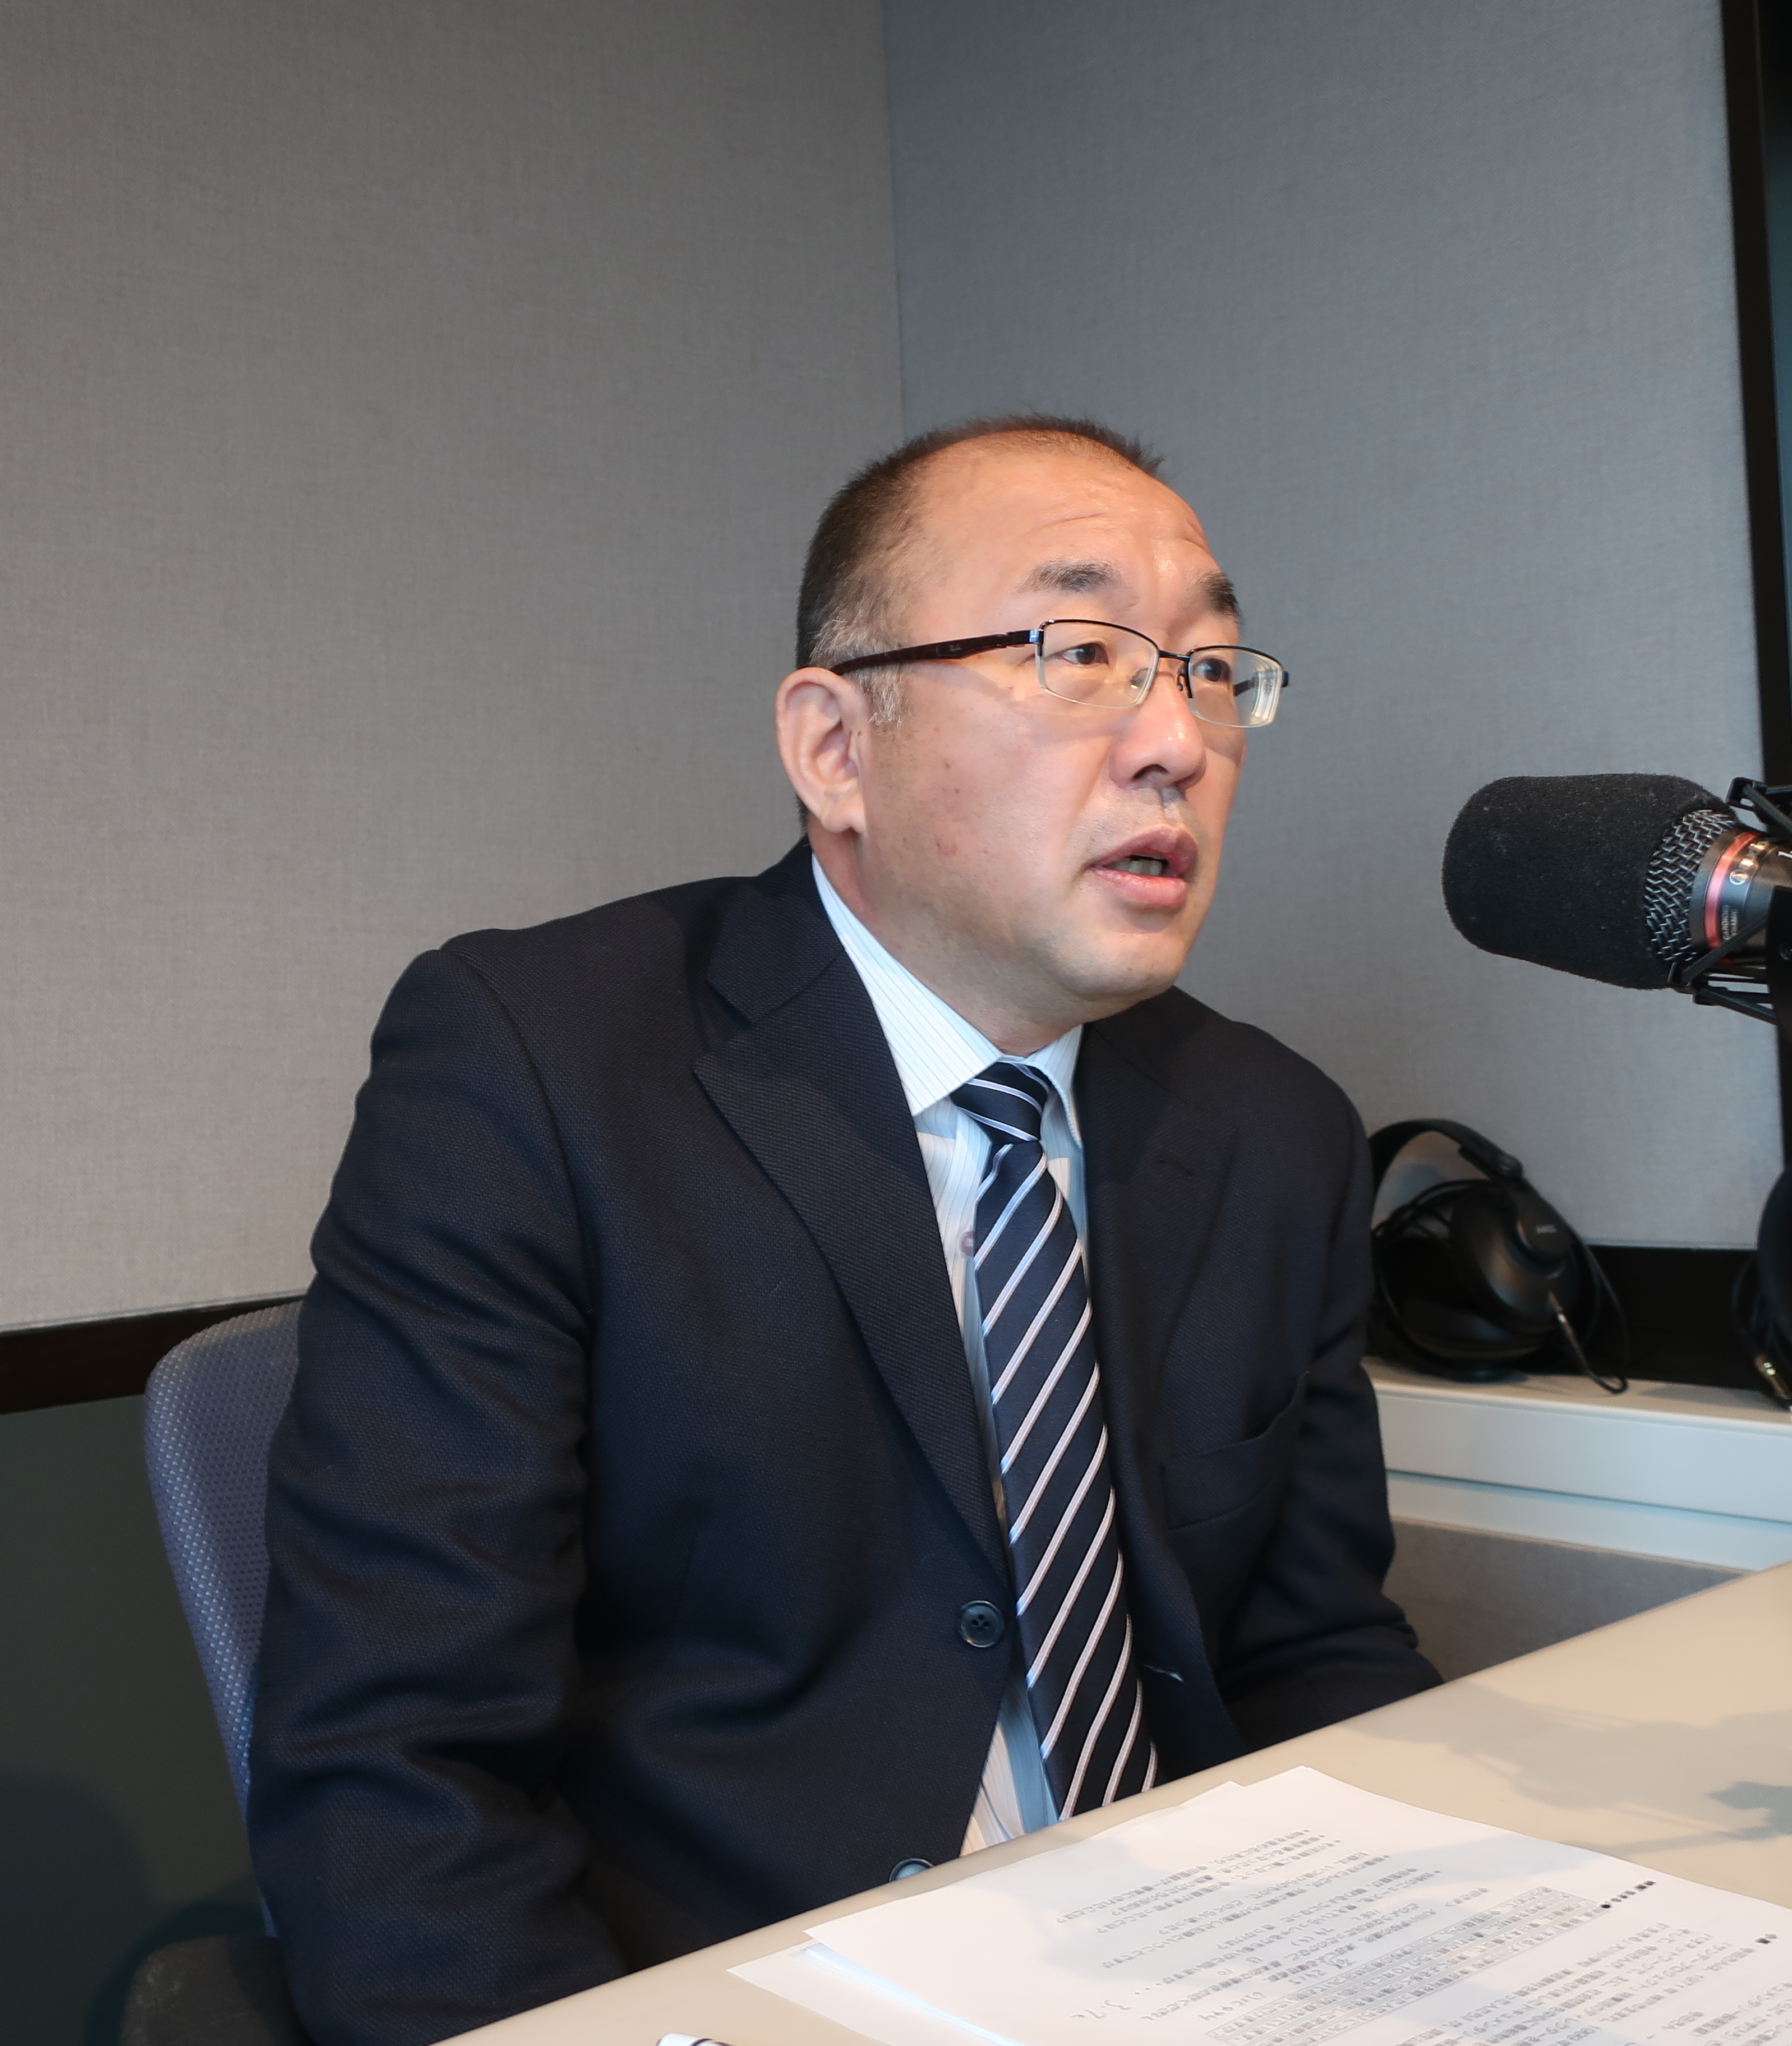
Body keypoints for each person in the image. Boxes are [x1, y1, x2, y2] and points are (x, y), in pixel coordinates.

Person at [249, 416, 1439, 2046]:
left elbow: (1316, 1653)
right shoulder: (537, 1063)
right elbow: (398, 1771)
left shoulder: (1272, 1128)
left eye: (1213, 672)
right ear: (835, 749)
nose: (1177, 740)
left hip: (1196, 1972)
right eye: (1082, 653)